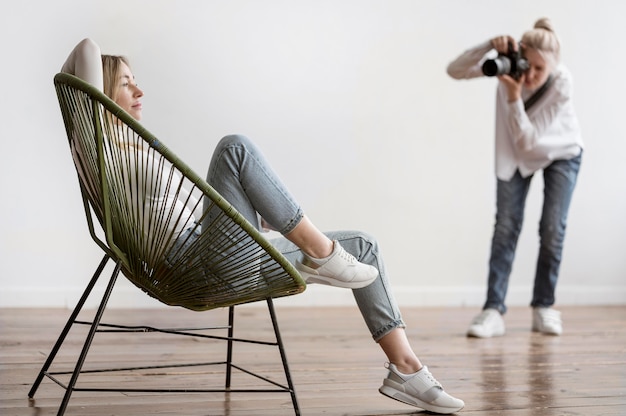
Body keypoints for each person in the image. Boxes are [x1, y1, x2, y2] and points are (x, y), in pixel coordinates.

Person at [61, 38, 465, 414]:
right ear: (98, 93)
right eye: (127, 83)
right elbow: (85, 50)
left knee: (364, 246)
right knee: (234, 148)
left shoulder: (131, 145)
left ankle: (407, 370)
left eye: (137, 82)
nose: (139, 92)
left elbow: (191, 214)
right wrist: (90, 95)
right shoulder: (96, 144)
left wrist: (251, 214)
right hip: (195, 268)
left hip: (212, 254)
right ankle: (320, 252)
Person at [446, 18, 583, 338]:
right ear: (519, 56)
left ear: (554, 66)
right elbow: (454, 71)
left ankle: (544, 306)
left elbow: (530, 142)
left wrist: (512, 97)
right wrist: (488, 47)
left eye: (540, 69)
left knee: (552, 228)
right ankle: (493, 309)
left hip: (559, 152)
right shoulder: (512, 71)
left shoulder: (562, 82)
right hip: (514, 157)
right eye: (527, 65)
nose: (531, 75)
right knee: (506, 226)